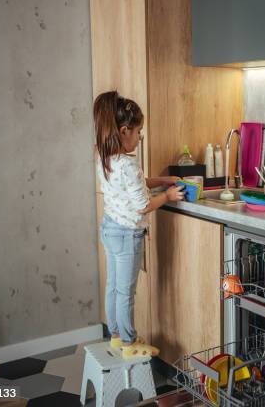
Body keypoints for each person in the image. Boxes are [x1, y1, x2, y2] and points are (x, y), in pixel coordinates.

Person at [93, 91, 183, 359]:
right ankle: (131, 343)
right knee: (126, 292)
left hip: (110, 227)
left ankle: (117, 336)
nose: (140, 136)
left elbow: (134, 185)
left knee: (113, 286)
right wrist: (168, 196)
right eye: (138, 131)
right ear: (124, 131)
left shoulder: (105, 156)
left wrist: (162, 180)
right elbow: (143, 204)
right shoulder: (128, 165)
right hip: (126, 233)